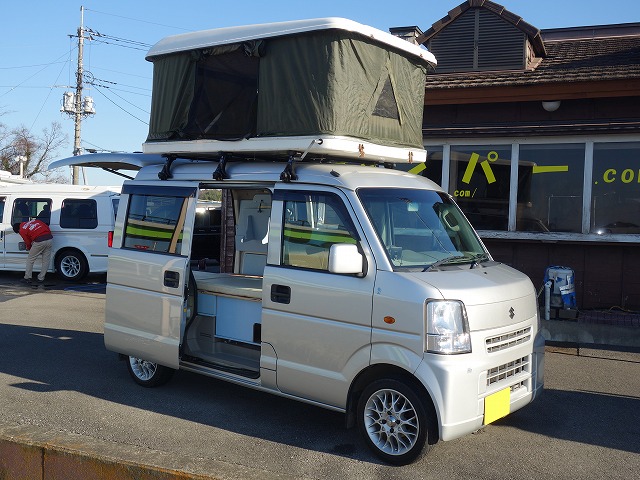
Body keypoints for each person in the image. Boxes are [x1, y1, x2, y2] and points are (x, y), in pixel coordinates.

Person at [13, 219, 53, 284]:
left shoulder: (22, 230)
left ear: (18, 230)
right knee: (46, 260)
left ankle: (27, 277)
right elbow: (46, 226)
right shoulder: (34, 221)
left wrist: (29, 248)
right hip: (49, 239)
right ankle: (41, 278)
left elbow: (27, 241)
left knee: (30, 259)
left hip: (39, 241)